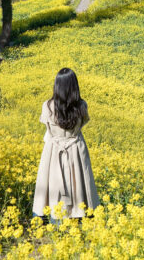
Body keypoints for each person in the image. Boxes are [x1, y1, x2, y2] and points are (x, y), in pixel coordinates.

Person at [33, 68, 100, 221]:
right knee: (77, 181)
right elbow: (83, 123)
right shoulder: (82, 106)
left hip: (54, 149)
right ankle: (79, 214)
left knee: (53, 182)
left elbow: (48, 127)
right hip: (75, 148)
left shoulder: (47, 106)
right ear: (74, 86)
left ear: (57, 86)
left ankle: (55, 217)